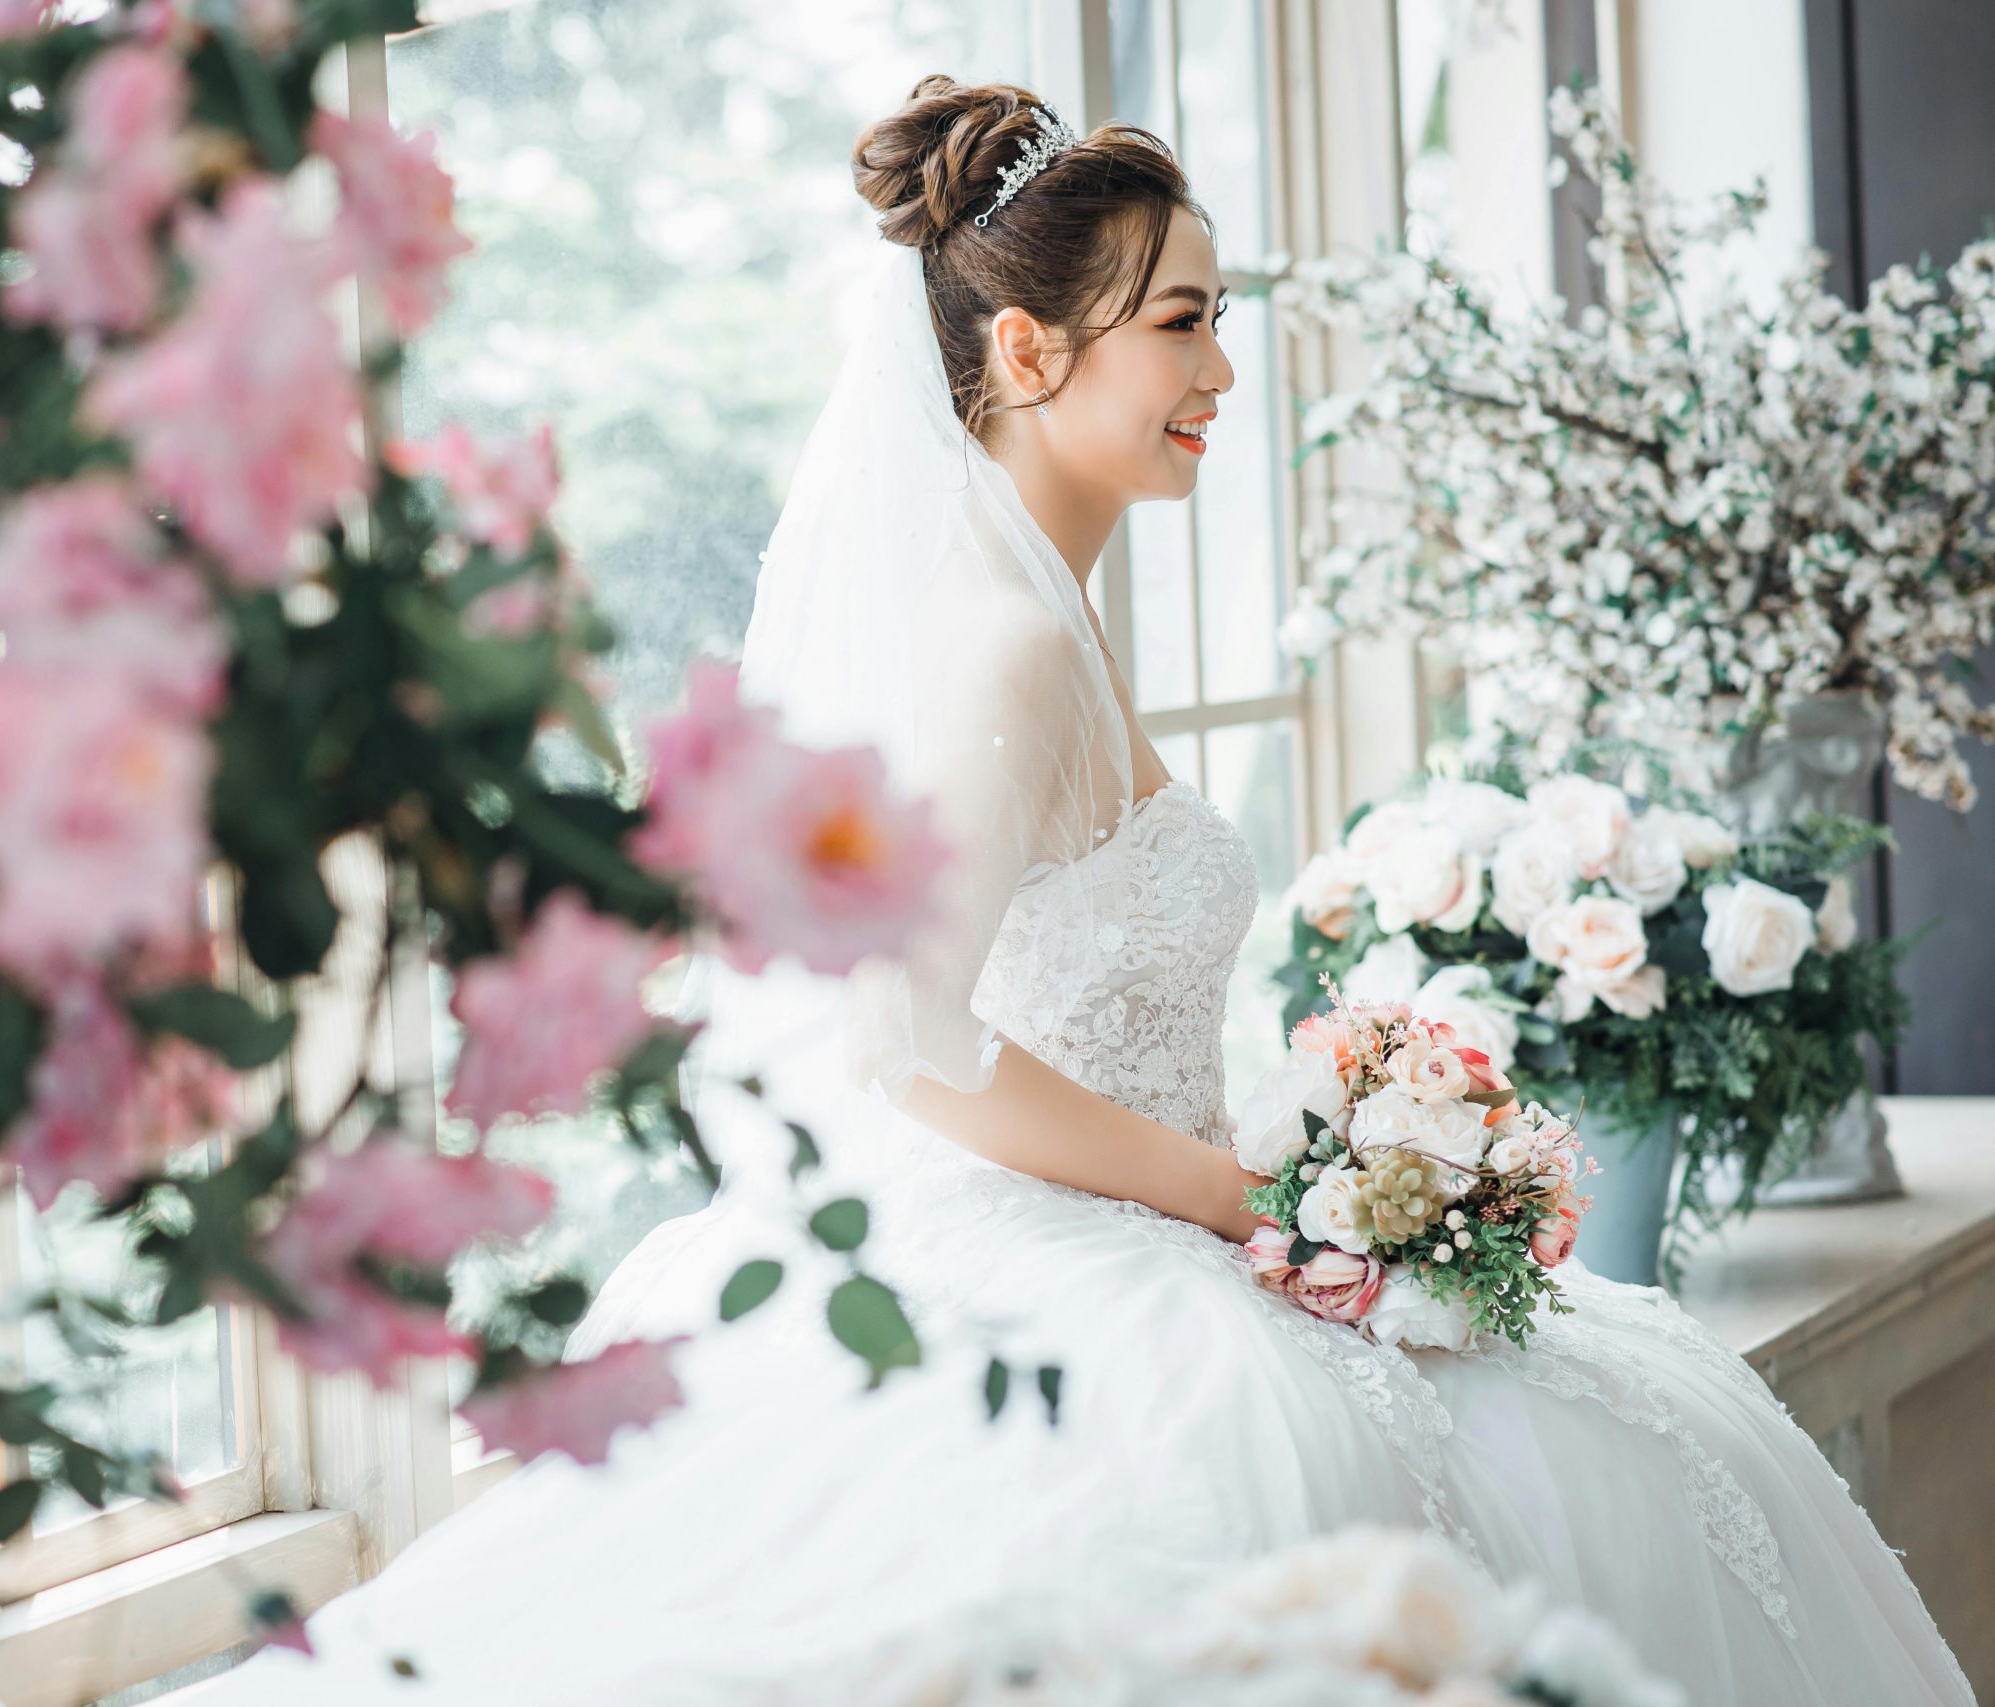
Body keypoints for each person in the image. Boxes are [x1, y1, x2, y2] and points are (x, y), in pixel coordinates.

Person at [209, 77, 1974, 1705]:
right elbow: (905, 1042)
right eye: (1184, 324)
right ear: (1029, 351)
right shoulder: (995, 651)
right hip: (1076, 1247)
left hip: (1159, 1209)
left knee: (1650, 1432)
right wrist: (1233, 1195)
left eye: (1224, 317)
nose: (1223, 371)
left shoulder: (1058, 609)